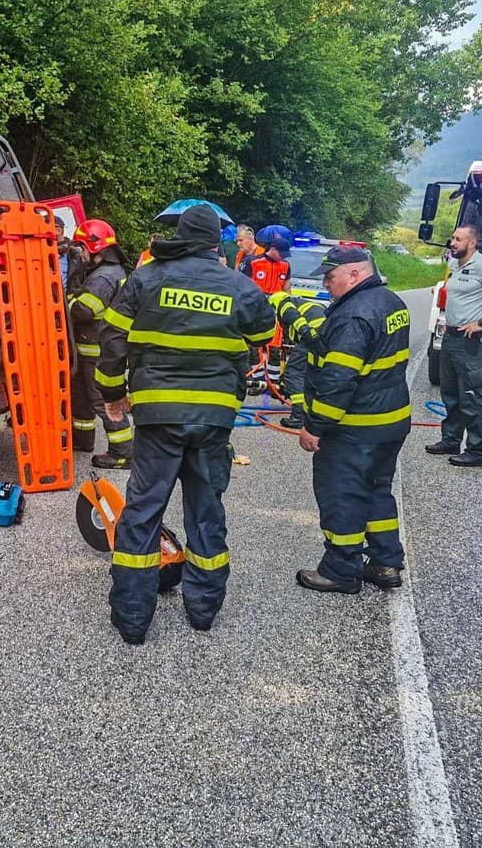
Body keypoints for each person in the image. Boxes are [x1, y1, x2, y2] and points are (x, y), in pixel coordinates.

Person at [97, 204, 276, 644]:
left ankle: (133, 620)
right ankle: (203, 611)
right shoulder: (239, 285)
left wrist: (112, 394)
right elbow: (262, 335)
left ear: (180, 233)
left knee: (142, 512)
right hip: (213, 419)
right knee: (205, 511)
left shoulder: (146, 277)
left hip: (158, 415)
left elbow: (111, 337)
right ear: (219, 243)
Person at [295, 245, 412, 594]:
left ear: (355, 274)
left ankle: (340, 570)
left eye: (330, 278)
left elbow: (338, 381)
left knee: (342, 494)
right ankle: (385, 563)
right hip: (390, 424)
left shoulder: (352, 317)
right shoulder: (391, 302)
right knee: (377, 491)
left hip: (355, 428)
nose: (326, 285)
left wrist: (315, 426)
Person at [425, 224, 482, 468]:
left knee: (471, 396)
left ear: (472, 243)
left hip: (470, 341)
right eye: (452, 237)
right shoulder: (455, 263)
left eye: (458, 239)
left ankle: (476, 451)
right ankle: (451, 440)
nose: (452, 242)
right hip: (451, 335)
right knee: (451, 392)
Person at [68, 219, 134, 469]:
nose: (79, 253)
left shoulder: (104, 277)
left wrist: (69, 297)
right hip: (90, 349)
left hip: (98, 352)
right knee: (82, 399)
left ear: (93, 248)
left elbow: (84, 310)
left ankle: (122, 451)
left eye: (81, 248)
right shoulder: (104, 272)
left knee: (103, 402)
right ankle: (83, 439)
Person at [268, 290, 328, 429]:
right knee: (312, 374)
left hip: (313, 335)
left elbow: (294, 317)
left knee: (293, 372)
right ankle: (313, 412)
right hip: (327, 335)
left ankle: (299, 416)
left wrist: (307, 332)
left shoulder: (282, 304)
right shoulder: (303, 303)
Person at [246, 233, 292, 392]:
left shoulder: (285, 266)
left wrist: (288, 308)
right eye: (281, 253)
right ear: (272, 249)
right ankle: (257, 382)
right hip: (256, 309)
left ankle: (272, 384)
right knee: (254, 346)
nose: (283, 258)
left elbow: (287, 288)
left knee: (275, 348)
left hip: (276, 310)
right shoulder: (253, 262)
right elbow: (242, 284)